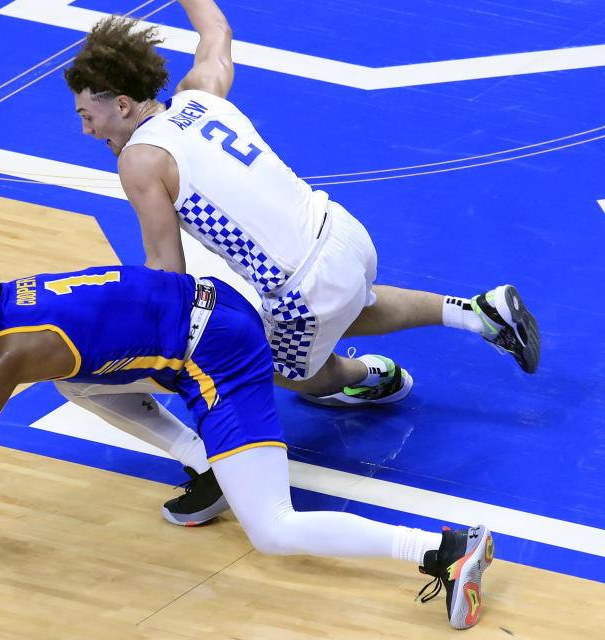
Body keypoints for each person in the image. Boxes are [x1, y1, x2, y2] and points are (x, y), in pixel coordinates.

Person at [0, 258, 494, 630]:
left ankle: (443, 550)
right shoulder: (10, 308)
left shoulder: (11, 353)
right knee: (81, 382)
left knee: (273, 531)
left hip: (218, 354)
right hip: (207, 305)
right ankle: (217, 459)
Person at [60, 1, 540, 525]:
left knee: (276, 368)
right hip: (342, 232)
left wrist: (142, 345)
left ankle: (367, 376)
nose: (86, 129)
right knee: (355, 305)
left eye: (88, 115)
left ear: (124, 105)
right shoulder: (200, 94)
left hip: (300, 288)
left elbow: (167, 274)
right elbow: (215, 28)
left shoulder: (140, 159)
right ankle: (477, 311)